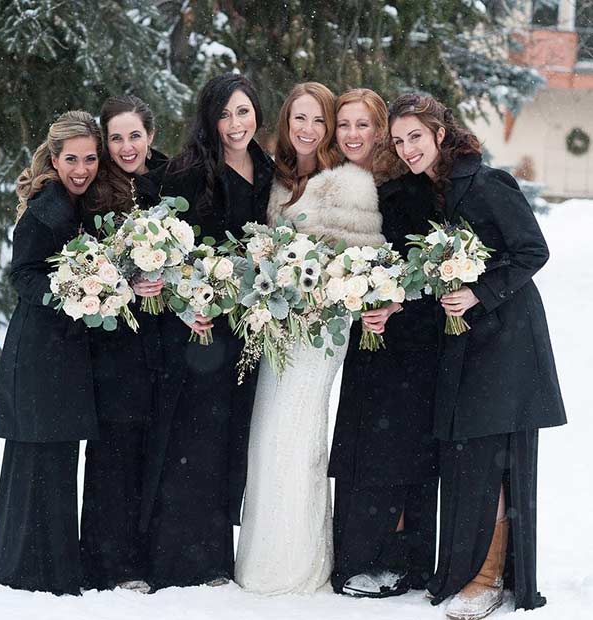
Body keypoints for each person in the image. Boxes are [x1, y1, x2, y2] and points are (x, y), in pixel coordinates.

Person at [388, 93, 567, 620]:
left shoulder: (488, 184)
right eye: (398, 142)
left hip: (506, 341)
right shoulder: (433, 192)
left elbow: (533, 251)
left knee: (493, 462)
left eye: (415, 137)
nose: (407, 149)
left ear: (440, 134)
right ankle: (472, 569)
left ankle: (488, 577)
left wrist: (479, 293)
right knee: (469, 459)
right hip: (464, 342)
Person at [234, 82, 385, 595]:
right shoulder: (274, 181)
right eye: (300, 118)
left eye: (319, 120)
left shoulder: (348, 185)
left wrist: (313, 286)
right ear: (285, 123)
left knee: (293, 432)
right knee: (266, 436)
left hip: (319, 330)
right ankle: (262, 556)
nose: (309, 129)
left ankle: (295, 565)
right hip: (277, 326)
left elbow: (359, 261)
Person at [141, 73, 274, 591]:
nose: (235, 124)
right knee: (190, 438)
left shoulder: (268, 170)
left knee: (229, 438)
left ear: (256, 113)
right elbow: (166, 248)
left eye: (243, 112)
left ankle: (217, 555)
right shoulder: (188, 173)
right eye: (224, 114)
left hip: (248, 328)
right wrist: (185, 302)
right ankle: (177, 559)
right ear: (209, 118)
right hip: (199, 331)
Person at [0, 111, 101, 595]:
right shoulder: (43, 208)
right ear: (54, 160)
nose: (82, 168)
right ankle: (21, 568)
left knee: (57, 457)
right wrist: (70, 291)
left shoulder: (83, 204)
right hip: (38, 350)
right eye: (72, 158)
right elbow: (23, 275)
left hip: (66, 353)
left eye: (90, 158)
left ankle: (52, 566)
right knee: (34, 457)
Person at [329, 88, 440, 598]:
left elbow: (426, 269)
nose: (353, 135)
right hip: (365, 339)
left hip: (408, 342)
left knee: (391, 450)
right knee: (360, 445)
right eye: (344, 125)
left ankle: (395, 558)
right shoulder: (339, 185)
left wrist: (396, 302)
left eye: (363, 126)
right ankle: (356, 555)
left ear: (382, 134)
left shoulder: (407, 189)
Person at [79, 94, 167, 593]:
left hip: (160, 343)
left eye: (135, 135)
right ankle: (107, 562)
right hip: (112, 345)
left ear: (150, 136)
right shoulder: (93, 192)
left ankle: (145, 556)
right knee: (113, 453)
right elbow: (82, 265)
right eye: (116, 137)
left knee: (151, 451)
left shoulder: (167, 182)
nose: (127, 146)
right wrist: (123, 283)